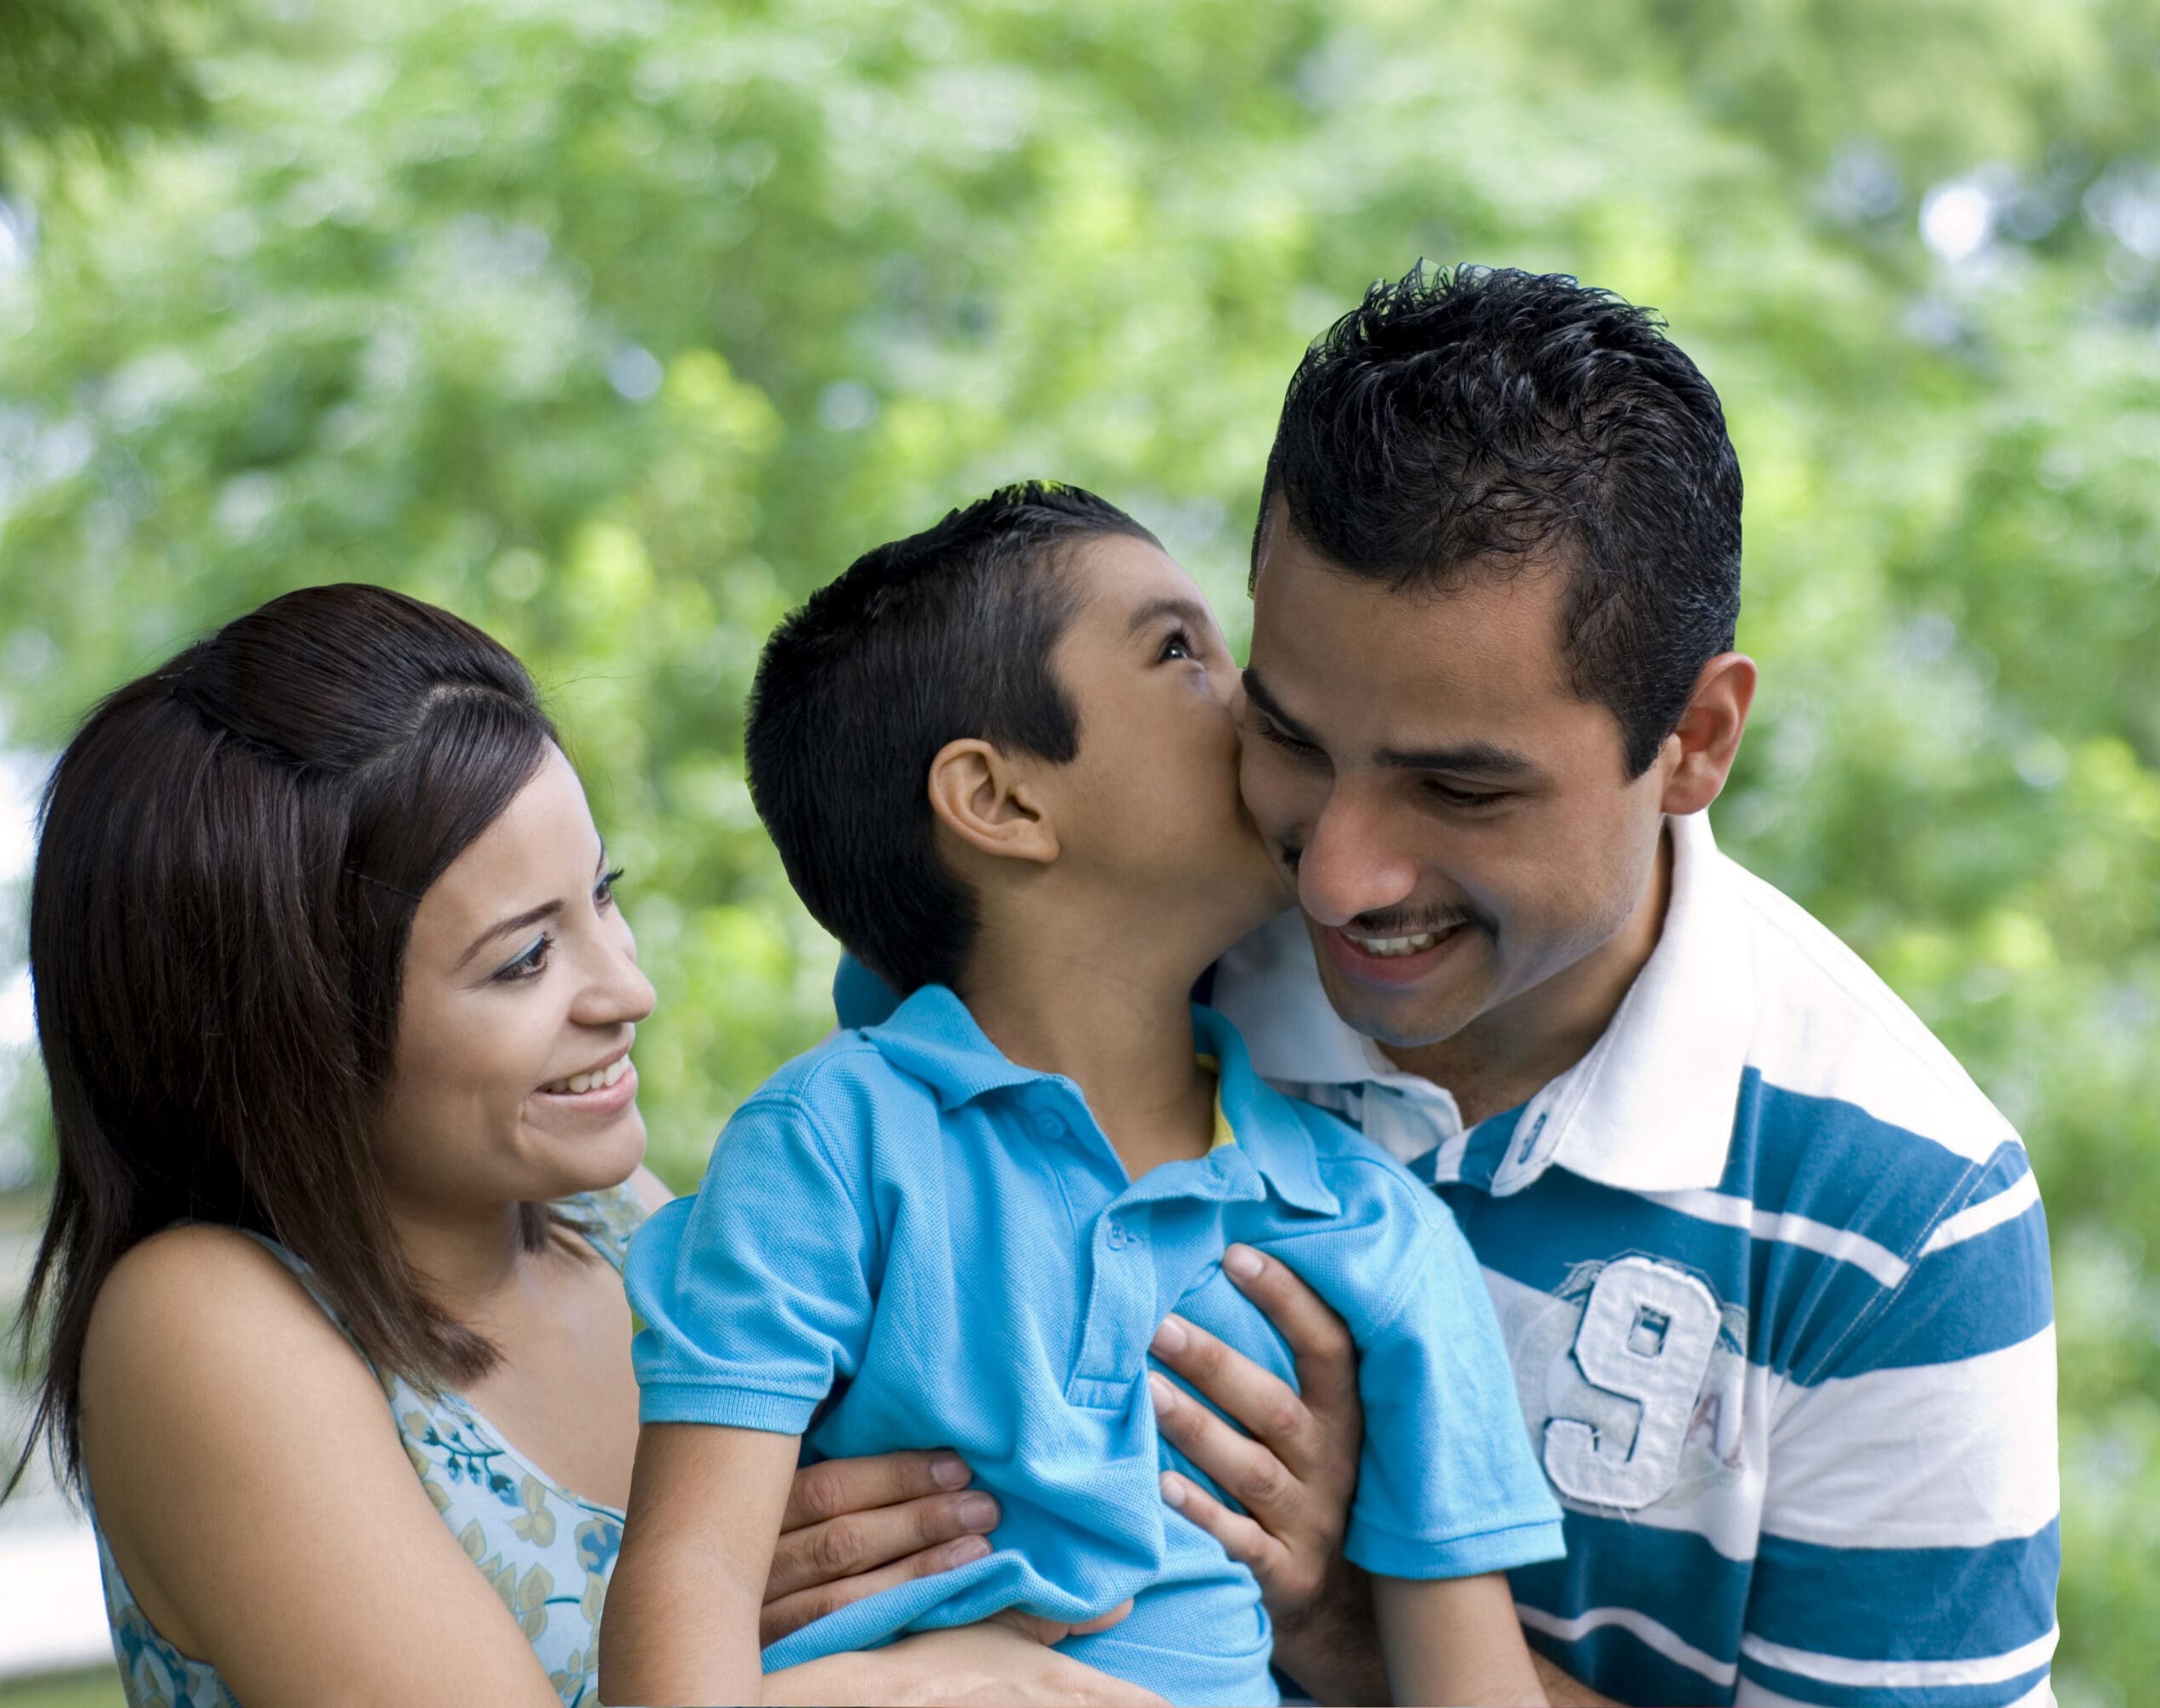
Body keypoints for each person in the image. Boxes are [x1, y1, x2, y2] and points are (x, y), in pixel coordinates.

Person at [825, 266, 2060, 1708]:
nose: (1341, 878)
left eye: (1460, 785)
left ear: (1697, 740)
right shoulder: (1083, 952)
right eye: (1289, 737)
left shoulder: (1901, 1210)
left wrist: (1371, 1625)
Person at [6, 582, 1167, 1708]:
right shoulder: (203, 1318)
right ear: (289, 1034)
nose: (630, 988)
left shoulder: (618, 1229)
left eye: (601, 897)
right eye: (523, 959)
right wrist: (885, 1678)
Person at [600, 484, 1568, 1707]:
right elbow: (688, 1572)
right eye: (1179, 651)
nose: (1256, 696)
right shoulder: (828, 1149)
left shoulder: (1375, 1228)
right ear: (1001, 800)